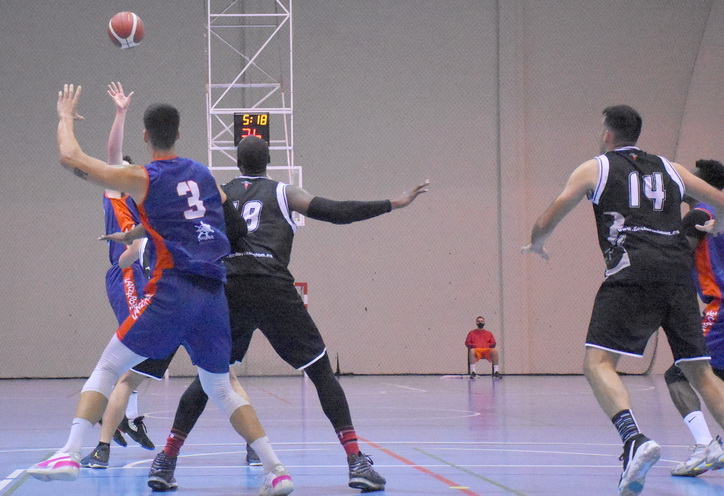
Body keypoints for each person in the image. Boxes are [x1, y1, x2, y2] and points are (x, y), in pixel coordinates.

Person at [27, 84, 293, 496]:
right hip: (213, 295)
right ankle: (275, 470)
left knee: (109, 367)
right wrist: (140, 231)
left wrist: (64, 116)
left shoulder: (142, 177)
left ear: (146, 136)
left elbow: (71, 158)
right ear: (179, 134)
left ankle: (69, 452)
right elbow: (220, 221)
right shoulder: (204, 175)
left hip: (172, 291)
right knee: (221, 386)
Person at [146, 135, 428, 493]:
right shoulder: (284, 192)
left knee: (210, 378)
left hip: (229, 288)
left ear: (237, 163)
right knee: (321, 372)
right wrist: (393, 203)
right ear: (268, 162)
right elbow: (336, 212)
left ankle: (167, 460)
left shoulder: (218, 194)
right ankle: (356, 461)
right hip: (272, 286)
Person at [521, 105, 724, 496]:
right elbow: (720, 200)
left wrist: (537, 243)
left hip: (633, 268)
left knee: (597, 363)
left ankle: (634, 440)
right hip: (676, 274)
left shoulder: (595, 168)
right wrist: (720, 225)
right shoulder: (671, 168)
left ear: (607, 134)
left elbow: (549, 216)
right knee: (701, 373)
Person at [81, 82, 174, 470]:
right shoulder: (116, 192)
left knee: (138, 351)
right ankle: (113, 423)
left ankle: (124, 417)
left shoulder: (139, 198)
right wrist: (120, 113)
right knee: (134, 349)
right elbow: (112, 155)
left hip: (135, 271)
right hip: (127, 272)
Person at [666, 159, 724, 477]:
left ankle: (705, 445)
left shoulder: (700, 213)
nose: (685, 181)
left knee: (680, 373)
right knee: (715, 376)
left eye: (692, 177)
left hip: (721, 308)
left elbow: (675, 257)